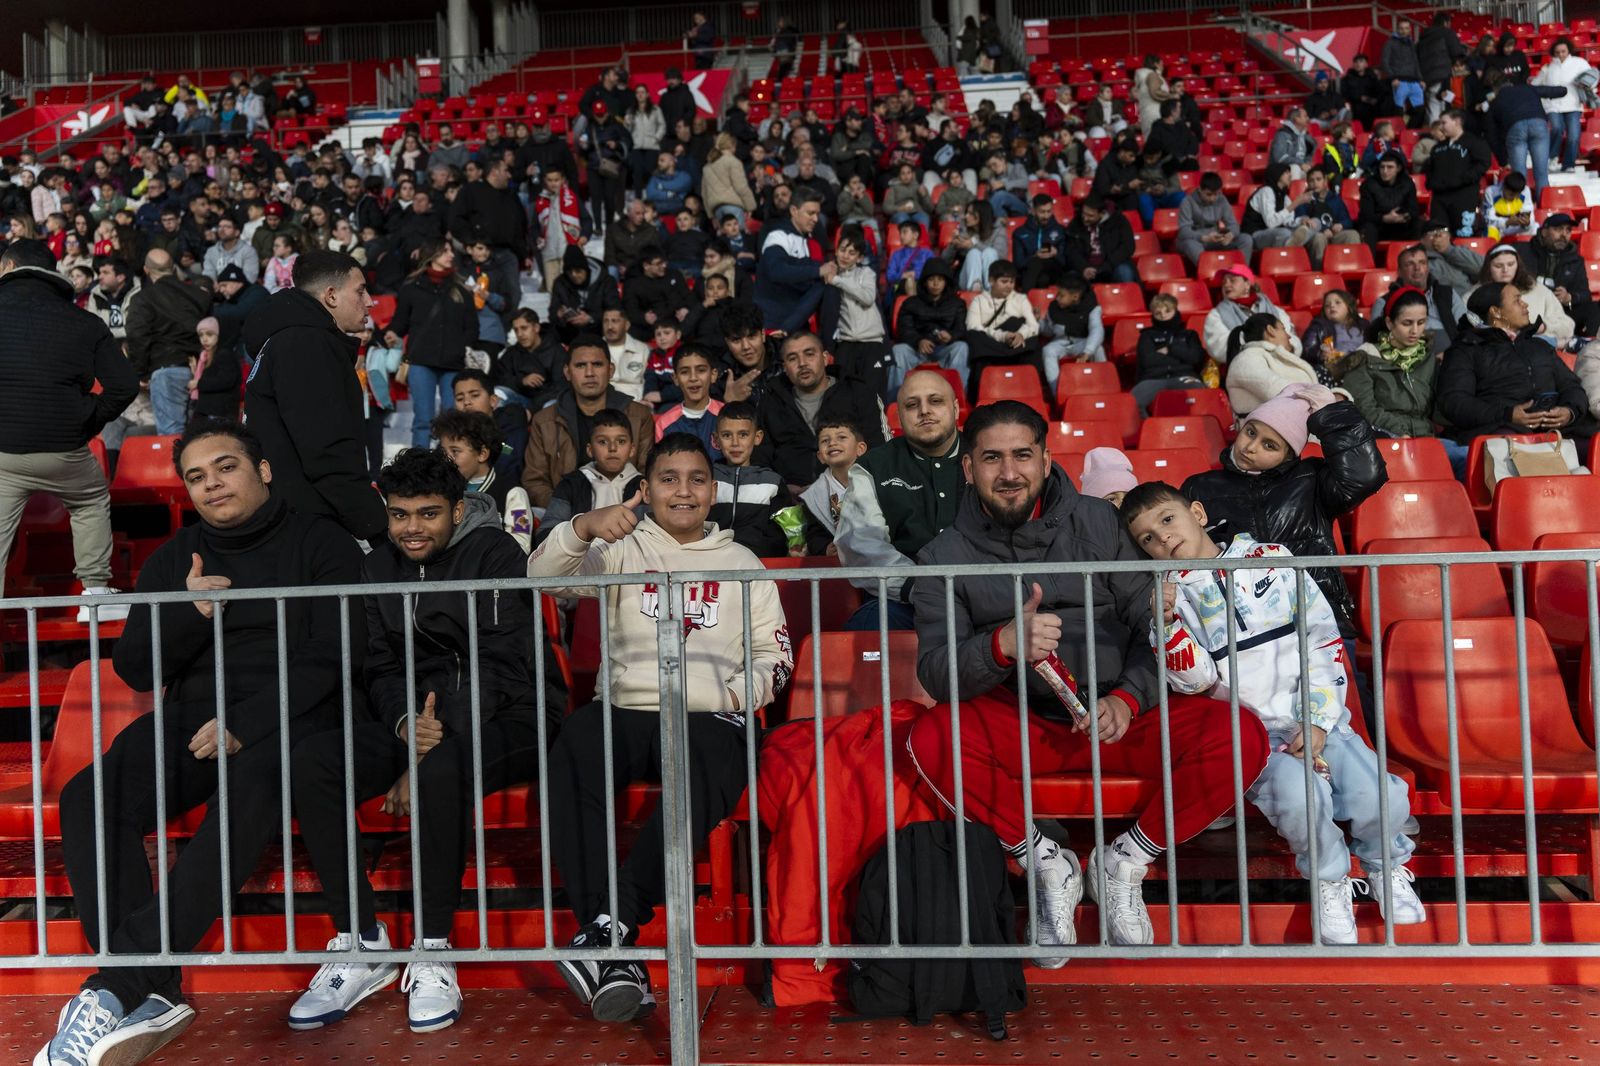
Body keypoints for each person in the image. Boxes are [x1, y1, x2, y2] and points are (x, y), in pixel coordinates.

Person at [42, 420, 362, 1066]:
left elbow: (334, 654)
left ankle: (112, 989)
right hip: (193, 718)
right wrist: (187, 614)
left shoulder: (321, 542)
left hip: (291, 719)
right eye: (196, 476)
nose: (212, 484)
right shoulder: (177, 556)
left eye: (226, 467)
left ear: (263, 470)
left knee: (250, 789)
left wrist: (248, 720)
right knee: (89, 796)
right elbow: (134, 666)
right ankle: (149, 990)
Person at [904, 401, 1270, 958]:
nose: (1009, 472)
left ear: (1047, 459)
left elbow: (1150, 620)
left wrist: (1128, 697)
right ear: (968, 467)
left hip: (1120, 722)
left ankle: (1124, 861)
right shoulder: (941, 556)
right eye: (992, 458)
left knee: (1241, 733)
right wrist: (1000, 645)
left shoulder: (1100, 522)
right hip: (1025, 724)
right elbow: (935, 670)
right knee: (931, 737)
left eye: (1023, 455)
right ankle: (1045, 864)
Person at [284, 446, 553, 1035]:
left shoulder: (494, 552)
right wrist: (407, 724)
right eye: (400, 513)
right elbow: (378, 664)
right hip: (419, 721)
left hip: (517, 713)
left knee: (442, 766)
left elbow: (507, 665)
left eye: (428, 514)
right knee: (315, 760)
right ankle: (361, 938)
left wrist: (433, 741)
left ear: (457, 510)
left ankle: (433, 947)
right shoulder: (377, 563)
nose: (411, 528)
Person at [530, 432, 791, 1023]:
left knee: (709, 759)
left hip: (708, 715)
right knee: (575, 744)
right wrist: (583, 528)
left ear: (713, 490)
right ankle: (613, 942)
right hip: (628, 707)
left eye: (697, 479)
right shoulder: (621, 546)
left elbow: (774, 654)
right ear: (645, 490)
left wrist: (732, 694)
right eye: (669, 478)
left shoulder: (740, 561)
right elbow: (543, 579)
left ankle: (608, 929)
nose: (684, 490)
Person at [1124, 482, 1421, 944]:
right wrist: (1165, 627)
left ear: (1197, 513)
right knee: (1302, 803)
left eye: (1166, 520)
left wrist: (1318, 720)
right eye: (1147, 538)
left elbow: (1321, 639)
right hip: (1255, 737)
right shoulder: (1169, 601)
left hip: (1317, 719)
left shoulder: (1269, 557)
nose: (1161, 538)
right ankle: (1329, 882)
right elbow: (1196, 682)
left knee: (1377, 796)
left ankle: (1388, 866)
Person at [1182, 384, 1387, 637]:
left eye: (1270, 445)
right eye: (1250, 432)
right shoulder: (1200, 487)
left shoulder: (1311, 479)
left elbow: (1364, 476)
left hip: (1316, 618)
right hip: (1241, 629)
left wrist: (1333, 417)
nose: (1251, 447)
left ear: (1289, 454)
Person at [0, 239, 137, 617]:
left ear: (8, 266)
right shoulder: (84, 321)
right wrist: (86, 418)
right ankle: (94, 594)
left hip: (2, 454)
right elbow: (125, 385)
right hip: (65, 450)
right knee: (90, 501)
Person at [241, 249, 388, 543]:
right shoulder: (307, 343)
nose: (370, 301)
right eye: (360, 291)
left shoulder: (288, 339)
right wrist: (376, 526)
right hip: (306, 525)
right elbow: (326, 448)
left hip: (293, 518)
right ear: (331, 296)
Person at [834, 369, 963, 631]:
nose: (924, 411)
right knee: (862, 633)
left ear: (956, 408)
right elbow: (861, 543)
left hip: (982, 599)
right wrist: (918, 587)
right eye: (912, 405)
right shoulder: (873, 466)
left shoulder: (988, 456)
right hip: (902, 604)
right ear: (899, 416)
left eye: (935, 401)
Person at [1436, 281, 1595, 448]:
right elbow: (1454, 401)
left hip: (1555, 432)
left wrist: (1570, 412)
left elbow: (1572, 386)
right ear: (1496, 312)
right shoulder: (1466, 350)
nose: (1525, 304)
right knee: (1507, 443)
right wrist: (1507, 415)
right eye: (1517, 300)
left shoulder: (1539, 346)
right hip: (1500, 432)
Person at [1334, 286, 1467, 476]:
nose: (1415, 330)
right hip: (1383, 441)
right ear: (1389, 323)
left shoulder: (1428, 359)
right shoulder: (1365, 357)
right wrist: (1399, 432)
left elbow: (1439, 409)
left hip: (1425, 439)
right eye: (1407, 323)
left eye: (1421, 322)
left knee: (1470, 456)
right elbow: (1364, 409)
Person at [522, 338, 655, 509]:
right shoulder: (544, 420)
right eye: (580, 365)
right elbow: (534, 481)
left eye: (597, 364)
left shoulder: (639, 416)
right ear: (567, 372)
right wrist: (567, 509)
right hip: (565, 514)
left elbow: (648, 475)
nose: (589, 373)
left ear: (611, 370)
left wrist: (617, 510)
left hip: (626, 512)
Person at [382, 239, 479, 449]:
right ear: (432, 255)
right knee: (422, 420)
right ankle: (419, 470)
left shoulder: (461, 288)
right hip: (420, 361)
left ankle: (448, 467)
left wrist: (461, 347)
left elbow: (472, 327)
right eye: (445, 251)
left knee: (452, 421)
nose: (451, 255)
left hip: (453, 363)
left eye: (451, 251)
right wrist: (391, 333)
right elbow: (401, 322)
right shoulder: (411, 287)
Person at [126, 248, 211, 435]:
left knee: (172, 438)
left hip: (166, 372)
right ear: (173, 268)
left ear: (146, 271)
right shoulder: (199, 295)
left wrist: (139, 373)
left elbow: (137, 336)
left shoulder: (143, 298)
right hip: (200, 372)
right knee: (200, 436)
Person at [709, 401, 807, 557]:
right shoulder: (707, 478)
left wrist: (792, 547)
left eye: (743, 435)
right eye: (727, 435)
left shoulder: (772, 481)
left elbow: (792, 530)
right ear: (716, 440)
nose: (735, 443)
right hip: (714, 560)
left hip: (760, 562)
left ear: (757, 437)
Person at [433, 408, 532, 546]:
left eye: (455, 451)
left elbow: (521, 545)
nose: (446, 458)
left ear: (482, 454)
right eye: (443, 451)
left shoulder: (512, 493)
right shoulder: (439, 490)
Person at [540, 410, 645, 536]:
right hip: (580, 554)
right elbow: (546, 533)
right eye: (602, 442)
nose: (612, 448)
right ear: (590, 450)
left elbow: (650, 535)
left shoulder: (642, 486)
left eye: (621, 441)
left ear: (632, 449)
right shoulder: (571, 484)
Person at [1227, 313, 1340, 417]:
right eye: (1284, 329)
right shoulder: (1247, 358)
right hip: (1267, 433)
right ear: (1271, 330)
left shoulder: (1269, 356)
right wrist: (1322, 400)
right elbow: (1279, 391)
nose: (1289, 336)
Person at [755, 187, 834, 334]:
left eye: (817, 214)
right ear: (793, 211)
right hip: (771, 321)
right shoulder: (778, 236)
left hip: (793, 324)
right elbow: (776, 271)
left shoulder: (806, 241)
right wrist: (818, 271)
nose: (816, 219)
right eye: (810, 213)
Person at [890, 257, 970, 392]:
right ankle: (895, 401)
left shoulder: (957, 304)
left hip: (944, 350)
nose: (935, 283)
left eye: (940, 279)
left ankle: (957, 397)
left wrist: (950, 336)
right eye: (931, 279)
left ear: (946, 282)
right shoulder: (910, 303)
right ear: (924, 282)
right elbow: (904, 330)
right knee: (898, 350)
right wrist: (919, 341)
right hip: (916, 351)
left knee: (961, 347)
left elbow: (961, 329)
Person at [1515, 214, 1600, 338]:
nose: (1564, 235)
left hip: (1560, 313)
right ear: (1544, 232)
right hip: (1529, 307)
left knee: (1594, 307)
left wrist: (1570, 297)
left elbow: (1585, 294)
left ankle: (1589, 344)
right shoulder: (1523, 251)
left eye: (1568, 230)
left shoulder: (1575, 260)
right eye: (1558, 229)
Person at [1372, 245, 1468, 354]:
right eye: (1409, 264)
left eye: (1422, 263)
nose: (1417, 268)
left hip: (1451, 358)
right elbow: (1378, 340)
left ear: (1428, 267)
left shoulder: (1448, 294)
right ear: (1399, 271)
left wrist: (1453, 354)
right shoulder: (1384, 303)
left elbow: (1465, 330)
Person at [1478, 243, 1574, 348]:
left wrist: (1544, 327)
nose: (1505, 270)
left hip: (1537, 352)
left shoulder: (1539, 290)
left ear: (1518, 265)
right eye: (1498, 266)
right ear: (1488, 267)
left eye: (1510, 264)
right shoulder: (1475, 295)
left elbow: (1568, 325)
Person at [1492, 60, 1566, 196]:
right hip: (1538, 124)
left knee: (1519, 176)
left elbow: (1493, 131)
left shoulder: (1497, 99)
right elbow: (1554, 91)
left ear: (1496, 89)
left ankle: (1523, 210)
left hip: (1514, 129)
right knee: (1541, 173)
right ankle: (1544, 207)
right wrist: (1564, 90)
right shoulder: (1527, 88)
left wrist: (1502, 158)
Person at [1203, 264, 1299, 365]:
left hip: (1280, 363)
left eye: (1232, 280)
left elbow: (1292, 341)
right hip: (1242, 367)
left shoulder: (1276, 310)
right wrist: (1265, 341)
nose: (1227, 285)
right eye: (1224, 282)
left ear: (1247, 284)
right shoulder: (1216, 315)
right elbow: (1219, 349)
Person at [799, 417, 868, 550]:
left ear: (860, 448)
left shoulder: (877, 482)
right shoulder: (814, 495)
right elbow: (814, 534)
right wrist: (825, 547)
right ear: (820, 457)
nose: (832, 443)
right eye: (825, 440)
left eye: (841, 437)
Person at [1132, 293, 1207, 413]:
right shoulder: (1146, 335)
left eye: (1167, 311)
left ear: (1175, 310)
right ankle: (1149, 430)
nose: (1163, 316)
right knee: (1132, 402)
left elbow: (1196, 358)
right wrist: (1181, 358)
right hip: (1153, 379)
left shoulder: (1189, 335)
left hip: (1185, 377)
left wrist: (1170, 349)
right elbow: (1148, 361)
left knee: (1203, 397)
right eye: (1158, 313)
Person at [965, 260, 1039, 377]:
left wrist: (1020, 334)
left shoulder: (1021, 299)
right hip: (990, 347)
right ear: (991, 280)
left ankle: (1029, 386)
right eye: (1004, 281)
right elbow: (972, 327)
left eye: (1012, 282)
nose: (1009, 286)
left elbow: (1033, 325)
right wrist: (1002, 336)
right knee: (974, 336)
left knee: (1027, 333)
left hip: (1015, 346)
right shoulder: (978, 300)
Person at [1425, 109, 1490, 237]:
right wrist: (1431, 182)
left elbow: (1483, 163)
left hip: (1464, 196)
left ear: (1457, 122)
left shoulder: (1474, 142)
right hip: (1440, 198)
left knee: (1463, 235)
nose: (1441, 127)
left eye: (1444, 123)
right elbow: (1430, 168)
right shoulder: (1437, 147)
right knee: (1438, 235)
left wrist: (1464, 179)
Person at [1534, 37, 1593, 174]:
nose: (1561, 54)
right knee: (1556, 128)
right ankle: (1552, 157)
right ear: (1554, 52)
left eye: (1563, 51)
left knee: (1573, 135)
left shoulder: (1580, 63)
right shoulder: (1547, 67)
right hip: (1553, 105)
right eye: (1557, 52)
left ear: (1568, 50)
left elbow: (1591, 79)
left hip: (1573, 105)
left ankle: (1569, 164)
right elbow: (1536, 84)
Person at [654, 346, 724, 458]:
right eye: (685, 372)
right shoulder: (664, 424)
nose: (693, 378)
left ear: (713, 375)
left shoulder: (726, 415)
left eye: (701, 370)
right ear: (675, 378)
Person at [1039, 276, 1105, 387]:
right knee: (1047, 350)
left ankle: (1104, 384)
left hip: (1082, 341)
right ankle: (1057, 391)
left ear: (1075, 297)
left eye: (1061, 295)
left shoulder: (1092, 307)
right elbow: (1050, 331)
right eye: (1057, 295)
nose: (1057, 298)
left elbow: (1096, 330)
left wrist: (1087, 352)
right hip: (1061, 341)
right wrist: (1038, 322)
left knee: (1097, 348)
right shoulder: (1054, 308)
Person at [495, 309, 567, 410]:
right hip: (521, 401)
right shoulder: (511, 352)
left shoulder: (556, 351)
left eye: (524, 328)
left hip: (547, 401)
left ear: (536, 327)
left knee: (551, 406)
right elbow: (499, 379)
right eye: (516, 330)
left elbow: (561, 387)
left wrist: (533, 408)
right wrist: (522, 381)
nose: (519, 334)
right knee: (498, 393)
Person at [1292, 165, 1361, 269]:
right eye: (1311, 180)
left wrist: (1341, 225)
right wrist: (1319, 228)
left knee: (1352, 234)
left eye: (1318, 179)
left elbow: (1348, 221)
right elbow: (1301, 220)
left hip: (1334, 234)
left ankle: (1351, 269)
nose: (1314, 183)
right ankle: (1320, 274)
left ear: (1325, 180)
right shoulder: (1304, 200)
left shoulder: (1335, 199)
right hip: (1317, 236)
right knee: (1319, 238)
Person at [1176, 172, 1251, 266]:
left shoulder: (1222, 199)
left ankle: (1241, 273)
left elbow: (1233, 225)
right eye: (1209, 194)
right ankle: (1209, 272)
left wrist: (1230, 234)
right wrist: (1204, 238)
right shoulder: (1187, 202)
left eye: (1216, 194)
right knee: (1190, 245)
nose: (1213, 198)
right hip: (1196, 239)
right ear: (1200, 189)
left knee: (1246, 239)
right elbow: (1184, 231)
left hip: (1215, 238)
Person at [1064, 194, 1138, 285]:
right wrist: (1083, 268)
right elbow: (1071, 251)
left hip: (1112, 266)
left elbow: (1128, 247)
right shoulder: (1075, 224)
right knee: (1070, 278)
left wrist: (1105, 266)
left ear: (1102, 214)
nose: (1085, 218)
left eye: (1090, 216)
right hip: (1086, 268)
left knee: (1124, 272)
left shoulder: (1119, 221)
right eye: (1084, 213)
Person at [1300, 290, 1367, 386]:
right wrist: (1320, 355)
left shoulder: (1364, 325)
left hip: (1362, 366)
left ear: (1349, 306)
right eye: (1327, 305)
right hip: (1335, 369)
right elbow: (1307, 349)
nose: (1332, 306)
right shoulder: (1319, 326)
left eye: (1337, 302)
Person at [1356, 152, 1421, 251]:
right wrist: (1384, 218)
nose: (1385, 171)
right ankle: (1369, 263)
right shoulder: (1368, 184)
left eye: (1390, 167)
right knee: (1368, 228)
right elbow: (1365, 215)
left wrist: (1404, 216)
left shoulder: (1407, 183)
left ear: (1398, 168)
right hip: (1379, 226)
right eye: (1382, 167)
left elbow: (1414, 209)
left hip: (1401, 224)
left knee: (1420, 224)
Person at [944, 200, 1009, 293]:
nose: (966, 216)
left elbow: (1001, 256)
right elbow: (945, 260)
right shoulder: (964, 231)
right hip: (967, 280)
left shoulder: (998, 230)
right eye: (966, 213)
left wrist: (973, 244)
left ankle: (990, 288)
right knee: (974, 253)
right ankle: (974, 288)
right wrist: (953, 245)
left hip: (993, 279)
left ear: (982, 215)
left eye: (970, 213)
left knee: (990, 252)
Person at [1013, 193, 1069, 293]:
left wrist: (1056, 253)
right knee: (1040, 273)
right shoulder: (1020, 233)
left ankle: (1024, 299)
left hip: (1054, 271)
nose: (1046, 216)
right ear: (1033, 211)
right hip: (1029, 272)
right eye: (1042, 212)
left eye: (1049, 211)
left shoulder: (1061, 231)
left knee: (1041, 266)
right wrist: (1035, 255)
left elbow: (1066, 263)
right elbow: (1018, 263)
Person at [1418, 221, 1486, 300]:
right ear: (1422, 240)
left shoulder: (1460, 250)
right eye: (1432, 232)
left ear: (1449, 236)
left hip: (1475, 297)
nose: (1438, 235)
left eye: (1443, 230)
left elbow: (1484, 269)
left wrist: (1448, 250)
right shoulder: (1421, 261)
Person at [1383, 20, 1425, 126]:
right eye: (1401, 28)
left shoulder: (1411, 43)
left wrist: (1420, 79)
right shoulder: (1390, 42)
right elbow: (1384, 61)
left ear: (1410, 30)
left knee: (1420, 109)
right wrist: (1392, 78)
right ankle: (1400, 134)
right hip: (1399, 81)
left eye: (1406, 28)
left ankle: (1410, 132)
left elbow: (1416, 62)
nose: (1404, 31)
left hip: (1414, 81)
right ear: (1397, 29)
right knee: (1398, 110)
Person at [1482, 171, 1536, 242]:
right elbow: (1488, 220)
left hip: (1518, 227)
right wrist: (1506, 222)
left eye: (1517, 195)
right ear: (1504, 187)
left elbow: (1530, 215)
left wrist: (1527, 223)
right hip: (1499, 227)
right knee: (1490, 230)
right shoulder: (1491, 192)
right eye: (1511, 194)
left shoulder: (1525, 191)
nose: (1514, 198)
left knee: (1534, 228)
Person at [1268, 108, 1316, 179]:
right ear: (1297, 119)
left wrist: (1306, 164)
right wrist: (1300, 163)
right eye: (1305, 116)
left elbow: (1310, 154)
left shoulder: (1307, 137)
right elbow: (1279, 157)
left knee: (1316, 172)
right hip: (1284, 169)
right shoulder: (1282, 135)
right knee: (1295, 168)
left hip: (1302, 166)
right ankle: (1295, 189)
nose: (1308, 118)